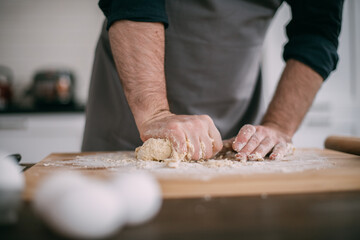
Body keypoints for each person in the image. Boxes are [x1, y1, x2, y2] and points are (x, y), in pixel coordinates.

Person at [82, 0, 343, 161]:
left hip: (238, 109)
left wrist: (278, 125)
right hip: (130, 103)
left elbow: (316, 32)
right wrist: (154, 114)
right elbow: (133, 3)